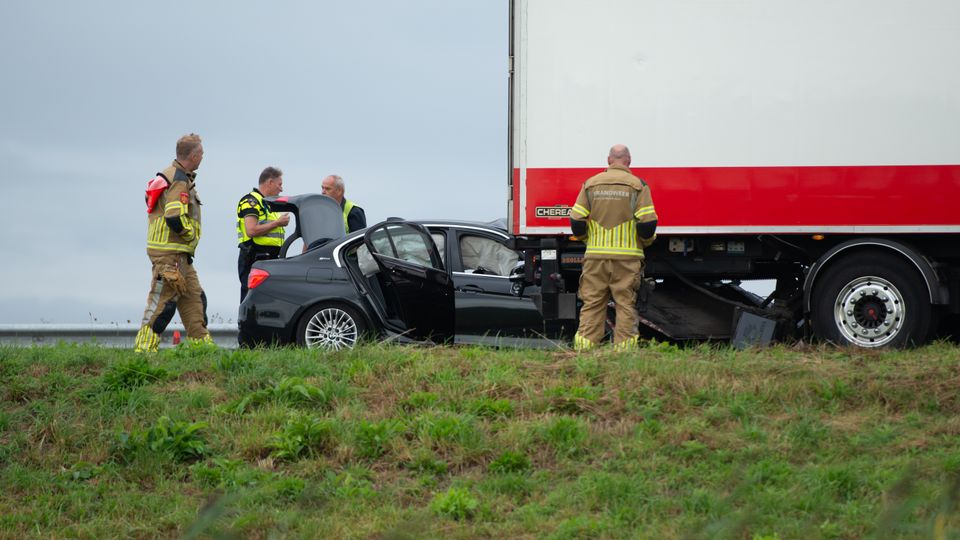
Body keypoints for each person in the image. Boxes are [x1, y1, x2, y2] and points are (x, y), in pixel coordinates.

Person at [569, 144, 658, 351]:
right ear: (628, 161)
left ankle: (584, 351)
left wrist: (586, 239)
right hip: (628, 259)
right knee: (625, 304)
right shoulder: (638, 185)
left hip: (595, 258)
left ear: (609, 160)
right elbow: (647, 225)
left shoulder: (590, 184)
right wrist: (646, 241)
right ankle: (623, 354)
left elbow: (576, 220)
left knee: (592, 303)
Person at [134, 133, 212, 352]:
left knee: (194, 300)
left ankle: (202, 351)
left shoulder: (172, 175)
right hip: (171, 255)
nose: (203, 157)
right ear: (194, 155)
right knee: (162, 305)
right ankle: (144, 351)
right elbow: (173, 216)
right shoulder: (178, 178)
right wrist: (189, 235)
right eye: (202, 153)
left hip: (180, 256)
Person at [237, 166, 290, 301]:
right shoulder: (251, 201)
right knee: (251, 299)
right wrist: (277, 223)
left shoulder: (268, 204)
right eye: (280, 184)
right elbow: (251, 230)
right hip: (254, 257)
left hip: (270, 258)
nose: (281, 189)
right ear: (270, 182)